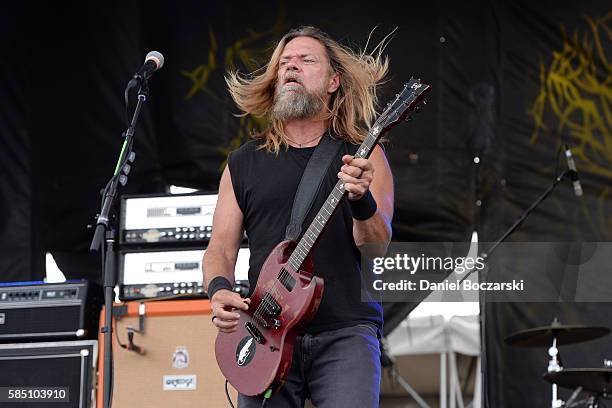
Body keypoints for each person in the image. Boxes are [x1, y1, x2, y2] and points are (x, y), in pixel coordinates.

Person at [203, 26, 394, 408]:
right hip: (265, 333)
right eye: (285, 63)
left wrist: (361, 201)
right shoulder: (243, 162)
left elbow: (377, 245)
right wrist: (217, 290)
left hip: (345, 330)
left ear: (334, 82)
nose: (292, 67)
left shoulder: (363, 155)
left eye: (306, 61)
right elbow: (220, 248)